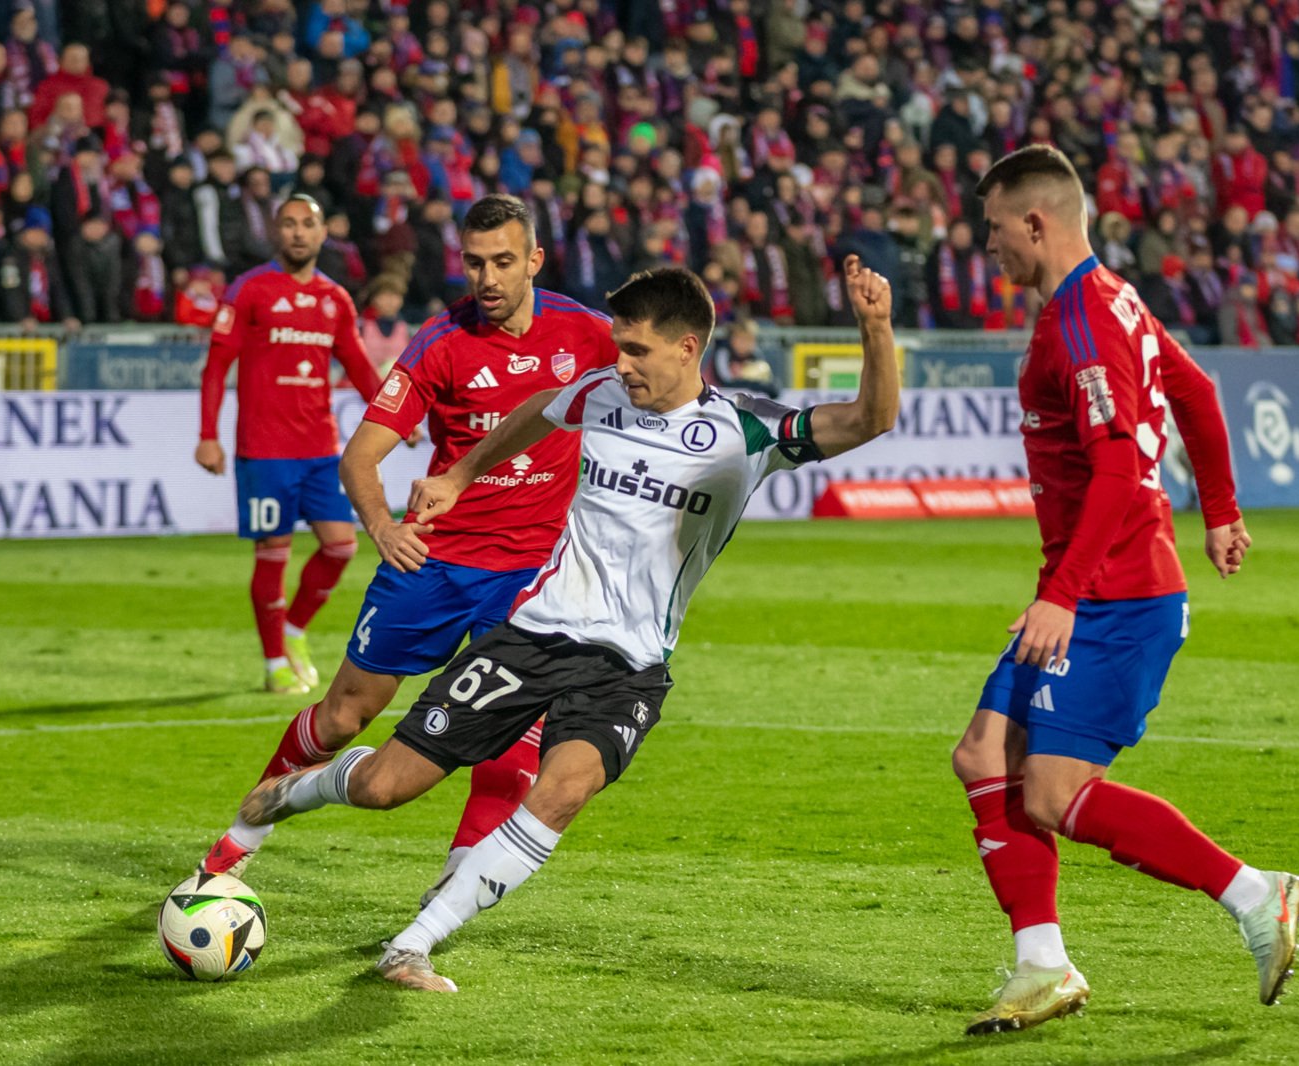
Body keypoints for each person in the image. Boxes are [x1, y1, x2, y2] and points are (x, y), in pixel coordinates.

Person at [228, 257, 898, 993]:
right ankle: (300, 791)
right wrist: (459, 475)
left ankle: (412, 944)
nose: (621, 362)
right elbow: (542, 409)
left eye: (637, 349)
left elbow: (870, 419)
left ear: (687, 348)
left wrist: (876, 330)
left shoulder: (749, 430)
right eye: (618, 344)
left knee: (562, 789)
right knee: (388, 785)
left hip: (631, 666)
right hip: (534, 635)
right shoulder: (601, 392)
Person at [952, 145, 1299, 1035]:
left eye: (994, 229)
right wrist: (1220, 509)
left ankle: (1257, 894)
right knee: (984, 756)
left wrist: (1064, 593)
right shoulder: (1116, 298)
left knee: (1050, 789)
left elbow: (1116, 465)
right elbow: (1196, 389)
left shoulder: (1079, 319)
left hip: (1115, 594)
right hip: (1094, 584)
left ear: (1035, 222)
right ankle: (1041, 966)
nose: (987, 247)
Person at [197, 195, 617, 885]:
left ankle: (447, 899)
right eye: (475, 263)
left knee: (512, 732)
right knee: (343, 715)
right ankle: (243, 834)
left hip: (530, 572)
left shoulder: (586, 332)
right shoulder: (440, 341)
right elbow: (360, 458)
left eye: (503, 262)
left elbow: (663, 374)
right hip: (436, 561)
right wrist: (383, 526)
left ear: (535, 260)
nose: (487, 278)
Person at [195, 195, 381, 696]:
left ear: (323, 234)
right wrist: (208, 435)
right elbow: (216, 366)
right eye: (289, 224)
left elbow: (359, 364)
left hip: (320, 447)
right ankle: (274, 659)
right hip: (264, 450)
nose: (299, 233)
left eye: (308, 225)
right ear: (276, 233)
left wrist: (393, 414)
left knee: (341, 546)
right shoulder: (250, 289)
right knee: (272, 552)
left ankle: (295, 630)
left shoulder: (335, 299)